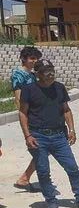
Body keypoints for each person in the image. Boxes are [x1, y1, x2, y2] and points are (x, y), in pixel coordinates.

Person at [19, 60, 79, 208]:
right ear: (37, 74)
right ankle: (51, 201)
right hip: (38, 137)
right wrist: (27, 135)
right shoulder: (29, 90)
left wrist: (72, 129)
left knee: (72, 168)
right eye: (46, 71)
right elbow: (23, 113)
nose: (50, 73)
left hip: (59, 136)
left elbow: (66, 109)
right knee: (43, 171)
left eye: (51, 69)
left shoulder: (59, 88)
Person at [11, 46, 41, 190]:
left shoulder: (33, 74)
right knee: (40, 149)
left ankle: (25, 178)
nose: (35, 61)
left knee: (42, 149)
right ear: (24, 59)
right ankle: (25, 178)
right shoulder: (19, 74)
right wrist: (26, 118)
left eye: (36, 58)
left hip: (38, 114)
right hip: (30, 117)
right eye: (32, 58)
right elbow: (18, 98)